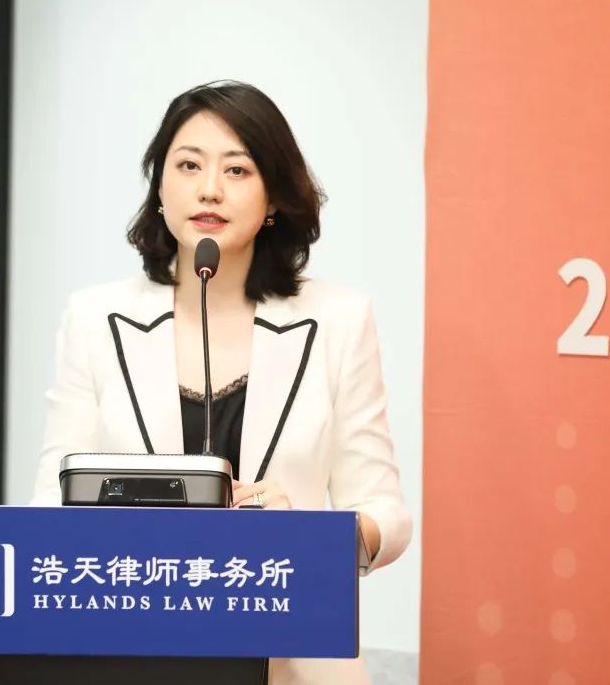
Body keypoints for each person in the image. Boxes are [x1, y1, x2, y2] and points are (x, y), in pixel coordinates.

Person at [29, 80, 412, 685]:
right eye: (189, 166)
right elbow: (52, 501)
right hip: (133, 658)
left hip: (293, 662)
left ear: (273, 196)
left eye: (237, 169)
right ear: (160, 187)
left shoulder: (339, 319)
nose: (210, 188)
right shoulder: (95, 318)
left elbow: (384, 511)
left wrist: (310, 540)